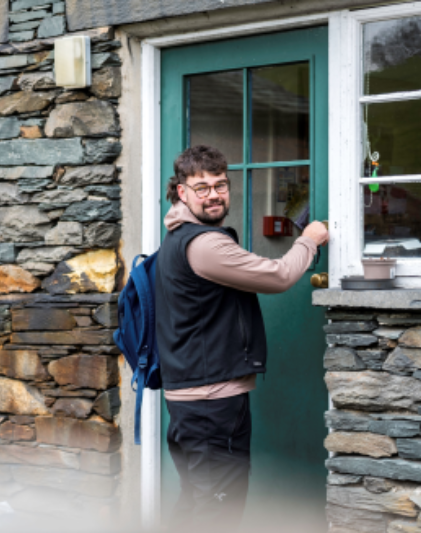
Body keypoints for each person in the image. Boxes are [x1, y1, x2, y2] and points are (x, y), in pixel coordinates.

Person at [154, 145, 329, 532]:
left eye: (220, 185)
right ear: (181, 192)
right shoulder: (204, 244)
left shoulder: (178, 239)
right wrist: (311, 238)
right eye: (201, 188)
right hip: (211, 405)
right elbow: (279, 276)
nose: (214, 194)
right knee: (220, 512)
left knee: (197, 506)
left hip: (191, 404)